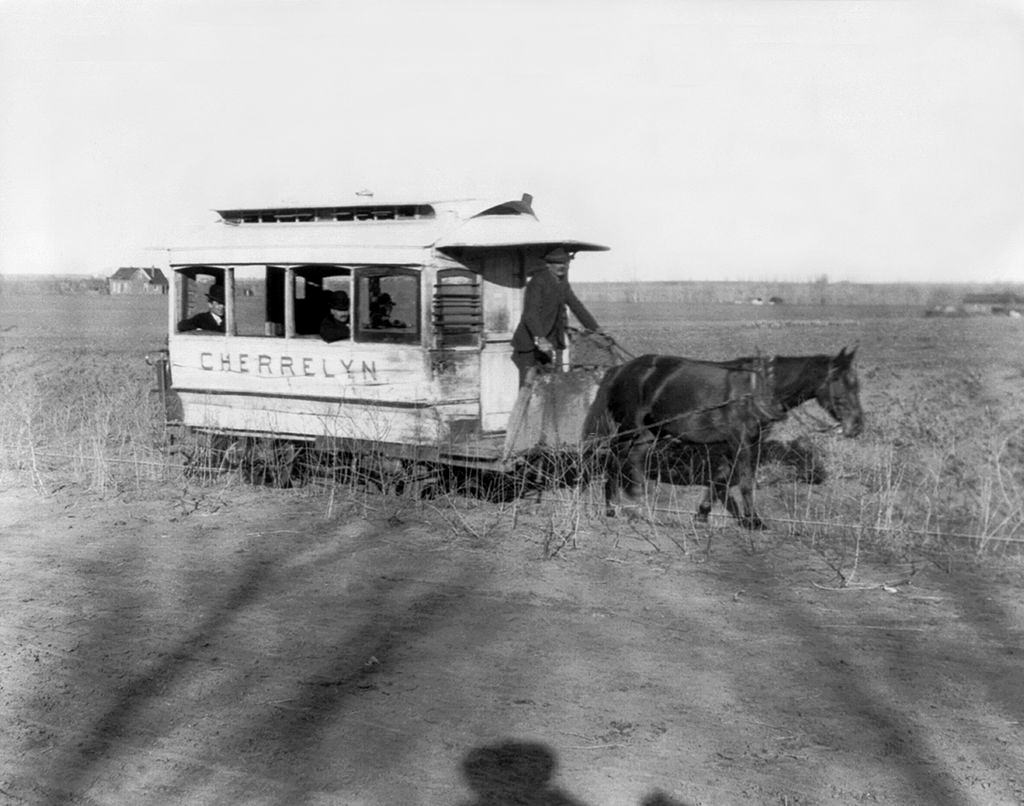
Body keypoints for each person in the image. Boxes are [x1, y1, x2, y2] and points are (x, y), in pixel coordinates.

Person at [511, 246, 603, 386]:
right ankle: (523, 407)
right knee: (528, 385)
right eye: (558, 263)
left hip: (551, 341)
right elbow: (531, 314)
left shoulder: (562, 283)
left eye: (566, 263)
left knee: (548, 384)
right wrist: (540, 338)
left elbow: (576, 306)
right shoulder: (538, 282)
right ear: (548, 265)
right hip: (529, 343)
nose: (563, 266)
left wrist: (597, 330)